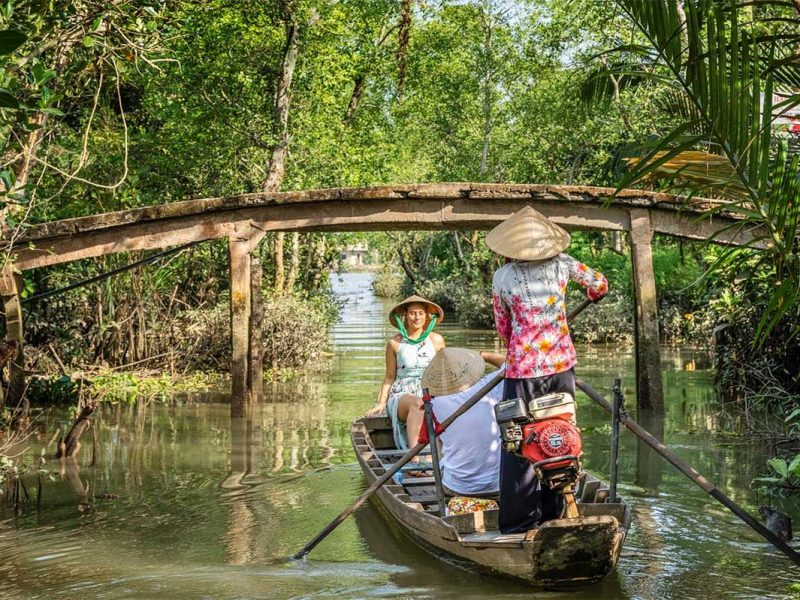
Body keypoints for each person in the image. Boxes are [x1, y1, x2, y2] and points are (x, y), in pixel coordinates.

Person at [487, 206, 608, 534]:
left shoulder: (502, 277)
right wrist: (586, 298)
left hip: (522, 370)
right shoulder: (563, 264)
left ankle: (519, 523)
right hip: (560, 366)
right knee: (558, 436)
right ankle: (554, 515)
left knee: (518, 442)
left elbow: (503, 327)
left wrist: (520, 340)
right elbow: (600, 285)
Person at [418, 348, 506, 498]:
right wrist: (483, 355)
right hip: (500, 484)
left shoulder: (433, 404)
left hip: (458, 487)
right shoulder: (490, 385)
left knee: (440, 441)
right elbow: (512, 364)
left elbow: (435, 442)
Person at [365, 295, 446, 450]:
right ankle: (415, 457)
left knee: (434, 405)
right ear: (405, 315)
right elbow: (389, 377)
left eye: (421, 313)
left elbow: (444, 373)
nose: (417, 317)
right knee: (419, 404)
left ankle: (436, 457)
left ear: (427, 316)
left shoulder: (436, 340)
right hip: (402, 394)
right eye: (412, 313)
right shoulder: (395, 343)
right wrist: (381, 403)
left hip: (431, 391)